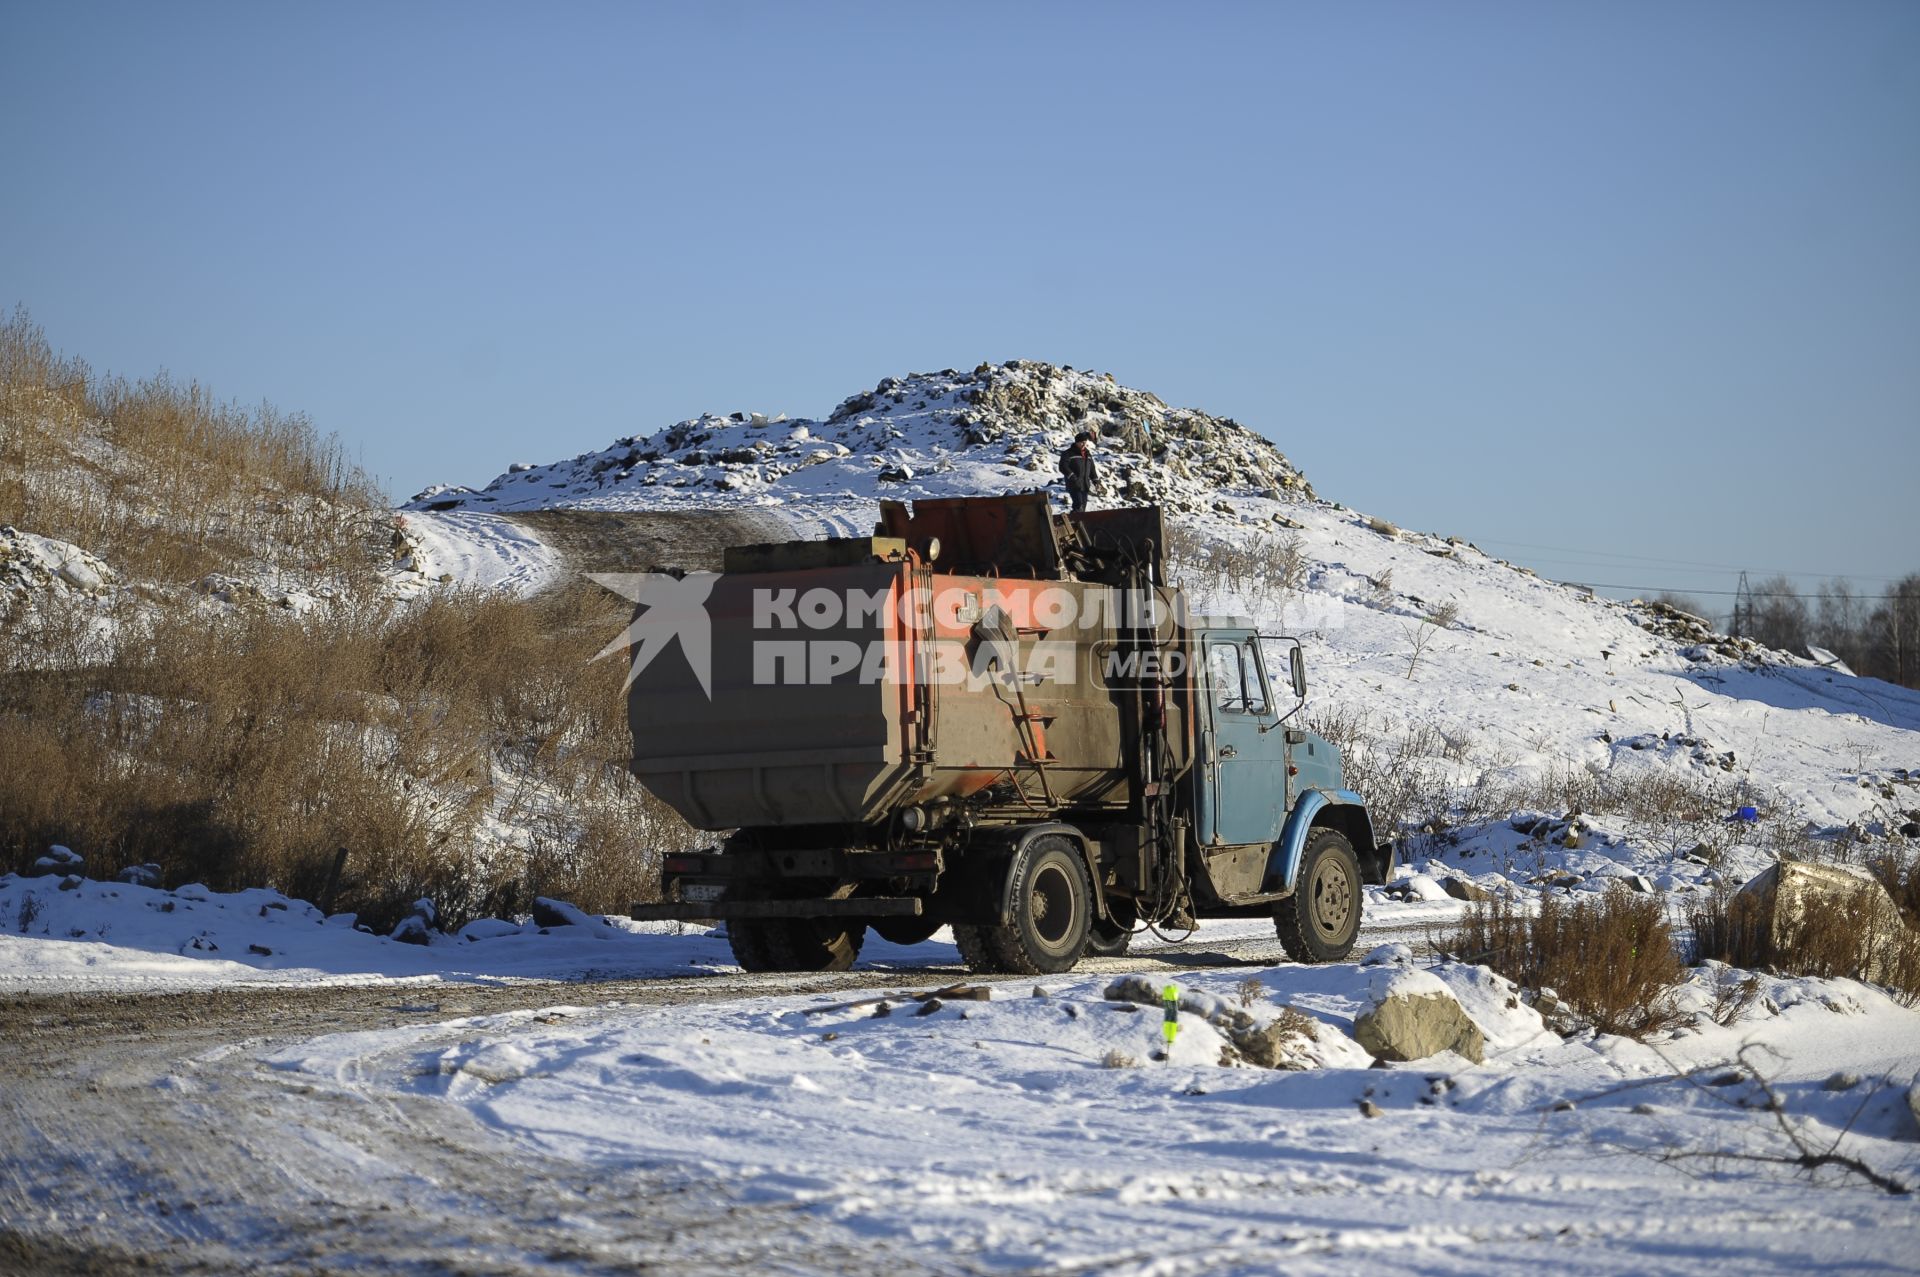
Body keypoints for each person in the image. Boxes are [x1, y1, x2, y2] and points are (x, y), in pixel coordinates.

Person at [1060, 431, 1097, 514]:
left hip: (1085, 484)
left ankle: (1078, 523)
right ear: (1076, 442)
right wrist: (1072, 476)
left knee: (1083, 507)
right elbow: (1063, 466)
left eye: (1085, 442)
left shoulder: (1088, 454)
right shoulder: (1068, 453)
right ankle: (1074, 523)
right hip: (1074, 484)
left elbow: (1092, 469)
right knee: (1078, 505)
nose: (1083, 444)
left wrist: (1095, 480)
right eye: (1081, 443)